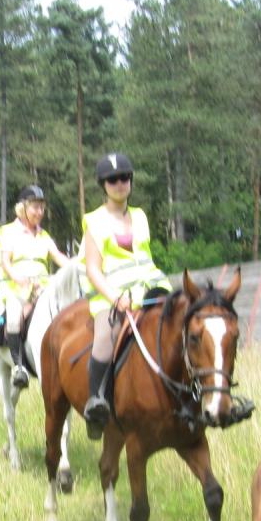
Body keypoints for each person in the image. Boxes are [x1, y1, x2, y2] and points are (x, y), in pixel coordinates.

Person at [81, 153, 170, 439]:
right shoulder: (93, 221)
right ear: (103, 185)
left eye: (125, 177)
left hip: (151, 288)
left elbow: (145, 258)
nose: (120, 183)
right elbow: (93, 269)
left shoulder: (141, 216)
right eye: (113, 180)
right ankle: (95, 402)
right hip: (112, 297)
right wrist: (116, 298)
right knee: (106, 339)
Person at [0, 185, 69, 388]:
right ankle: (18, 366)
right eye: (35, 207)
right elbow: (5, 261)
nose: (39, 212)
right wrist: (17, 277)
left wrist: (75, 267)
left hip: (44, 286)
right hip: (19, 287)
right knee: (13, 318)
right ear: (23, 208)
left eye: (42, 208)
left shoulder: (44, 235)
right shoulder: (8, 232)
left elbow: (57, 256)